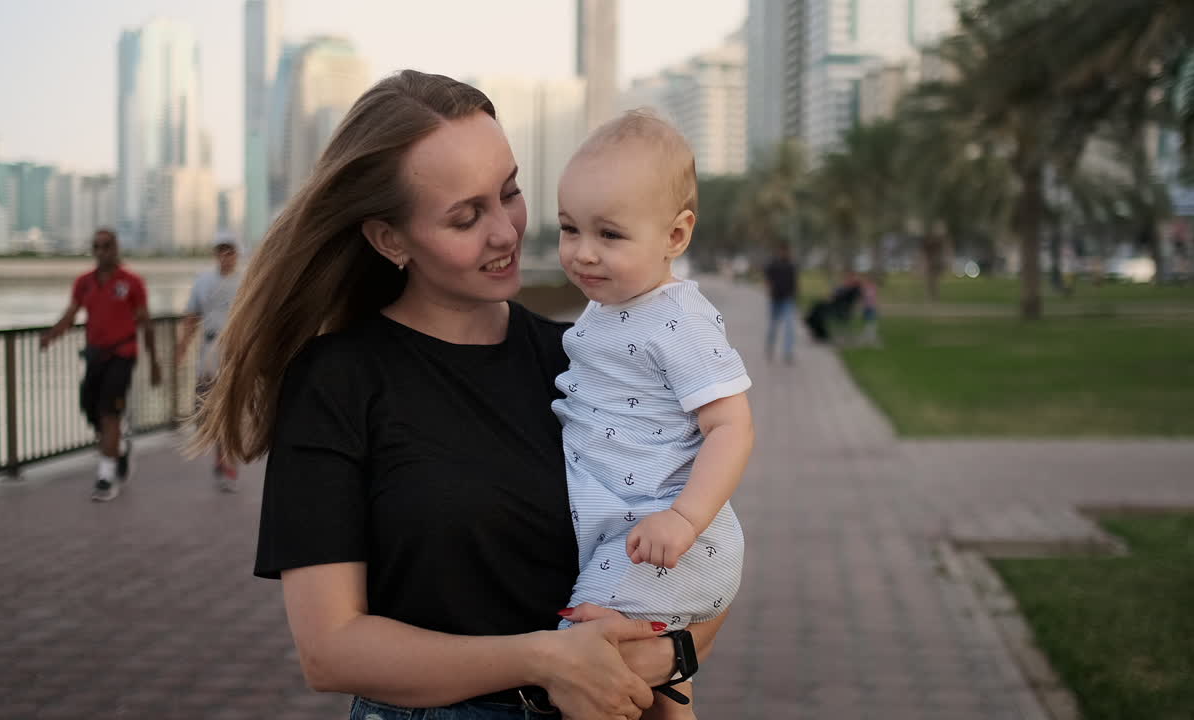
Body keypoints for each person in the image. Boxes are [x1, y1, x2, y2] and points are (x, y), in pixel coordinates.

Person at [190, 70, 728, 720]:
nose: (505, 232)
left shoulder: (582, 362)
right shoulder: (336, 381)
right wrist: (544, 660)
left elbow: (687, 563)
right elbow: (329, 651)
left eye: (511, 193)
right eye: (466, 216)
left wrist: (671, 667)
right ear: (389, 239)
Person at [554, 111, 754, 720]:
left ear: (675, 235)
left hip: (664, 542)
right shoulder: (610, 307)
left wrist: (684, 520)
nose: (583, 253)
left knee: (584, 668)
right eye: (569, 229)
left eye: (610, 235)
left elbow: (732, 426)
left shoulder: (677, 320)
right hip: (630, 536)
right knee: (662, 696)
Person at [40, 228, 161, 502]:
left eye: (107, 245)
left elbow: (146, 323)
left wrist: (155, 363)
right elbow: (70, 315)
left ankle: (106, 477)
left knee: (109, 412)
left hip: (122, 354)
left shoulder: (132, 282)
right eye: (97, 246)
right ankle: (118, 449)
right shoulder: (84, 283)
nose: (102, 251)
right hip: (96, 357)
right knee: (90, 408)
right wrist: (51, 336)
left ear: (116, 248)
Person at [177, 232, 244, 491]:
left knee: (231, 410)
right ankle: (221, 454)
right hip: (208, 352)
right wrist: (182, 345)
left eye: (230, 251)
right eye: (221, 250)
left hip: (235, 353)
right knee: (207, 409)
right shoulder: (203, 281)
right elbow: (192, 314)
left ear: (237, 254)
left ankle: (229, 463)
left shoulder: (247, 281)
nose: (225, 256)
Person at [762, 244, 798, 364]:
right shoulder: (773, 264)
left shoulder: (791, 265)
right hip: (775, 299)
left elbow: (795, 283)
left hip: (787, 300)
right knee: (773, 326)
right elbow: (767, 279)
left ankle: (788, 353)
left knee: (789, 327)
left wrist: (795, 296)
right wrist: (769, 290)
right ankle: (770, 348)